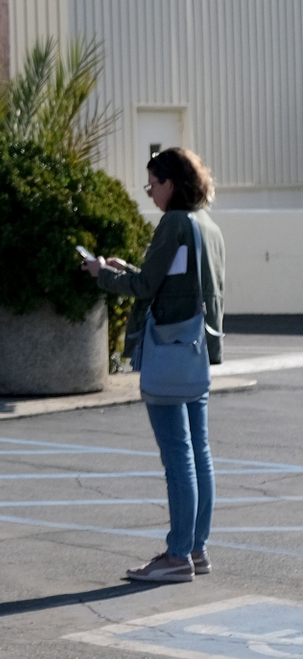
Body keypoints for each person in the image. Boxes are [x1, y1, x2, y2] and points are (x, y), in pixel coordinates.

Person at [82, 147, 225, 584]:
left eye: (153, 184)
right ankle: (196, 549)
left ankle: (177, 555)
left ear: (172, 183)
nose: (150, 193)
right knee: (198, 452)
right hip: (197, 349)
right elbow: (174, 281)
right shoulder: (207, 226)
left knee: (178, 456)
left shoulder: (174, 223)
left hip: (169, 349)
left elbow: (146, 286)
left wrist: (101, 272)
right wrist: (128, 268)